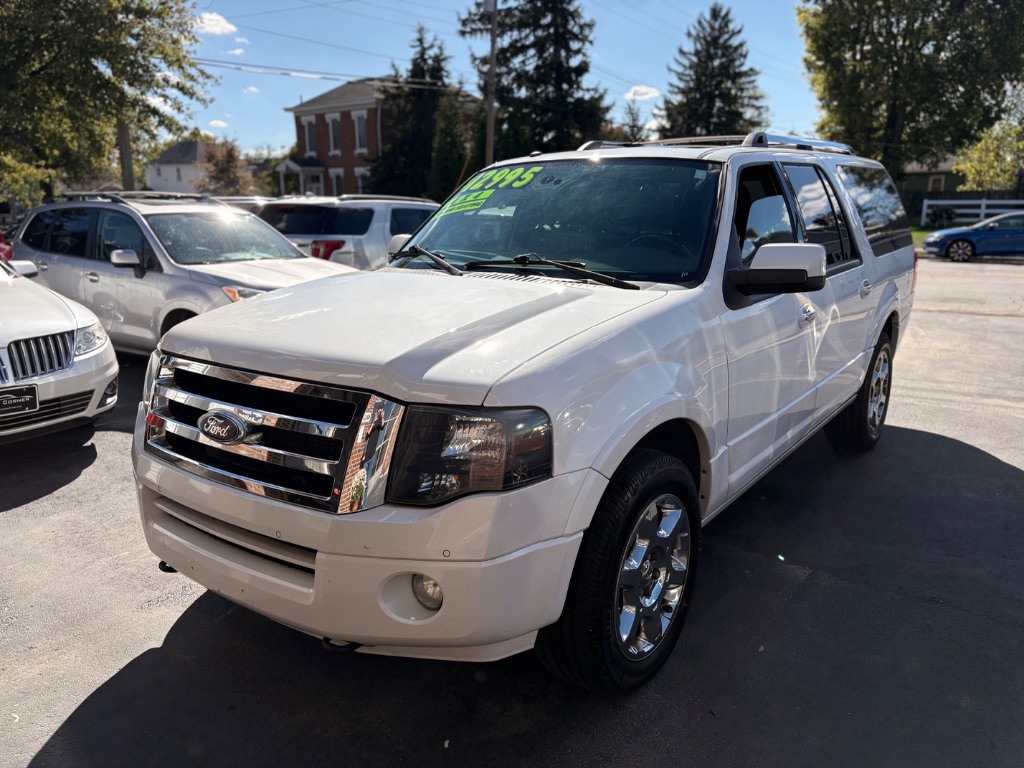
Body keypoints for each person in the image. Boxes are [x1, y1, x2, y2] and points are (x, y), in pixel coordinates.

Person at [361, 406, 386, 478]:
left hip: (373, 453)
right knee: (364, 476)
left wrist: (382, 417)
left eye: (381, 412)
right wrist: (373, 422)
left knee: (368, 477)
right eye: (379, 412)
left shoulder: (380, 421)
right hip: (368, 452)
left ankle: (366, 488)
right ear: (376, 412)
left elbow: (382, 427)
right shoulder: (374, 421)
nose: (379, 413)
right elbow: (368, 433)